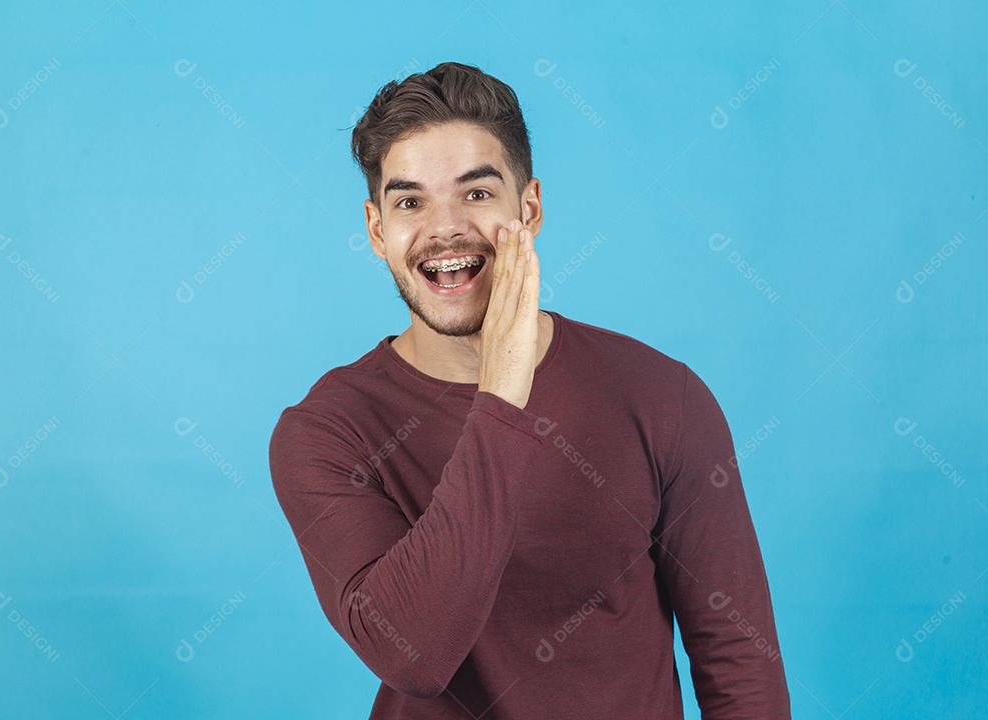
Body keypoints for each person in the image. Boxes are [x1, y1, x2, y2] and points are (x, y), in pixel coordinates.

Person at [269, 61, 792, 719]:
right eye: (410, 202)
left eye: (476, 193)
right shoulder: (325, 431)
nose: (445, 228)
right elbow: (415, 656)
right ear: (377, 230)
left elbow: (741, 665)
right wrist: (502, 395)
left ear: (530, 208)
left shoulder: (662, 397)